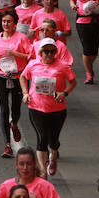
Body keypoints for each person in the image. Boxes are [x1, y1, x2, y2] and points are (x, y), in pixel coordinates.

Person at [20, 39, 75, 176]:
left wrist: (64, 93)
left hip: (57, 109)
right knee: (42, 137)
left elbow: (73, 82)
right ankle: (43, 170)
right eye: (46, 51)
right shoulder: (33, 64)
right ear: (41, 52)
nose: (49, 54)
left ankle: (53, 156)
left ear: (56, 52)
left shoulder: (62, 66)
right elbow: (22, 77)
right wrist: (25, 93)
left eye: (52, 51)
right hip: (36, 107)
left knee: (53, 140)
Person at [0, 10, 31, 157]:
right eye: (3, 21)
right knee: (3, 109)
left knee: (15, 109)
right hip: (2, 76)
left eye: (9, 21)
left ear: (15, 24)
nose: (6, 24)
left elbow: (30, 56)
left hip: (18, 77)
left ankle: (14, 124)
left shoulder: (22, 38)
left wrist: (15, 54)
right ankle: (7, 145)